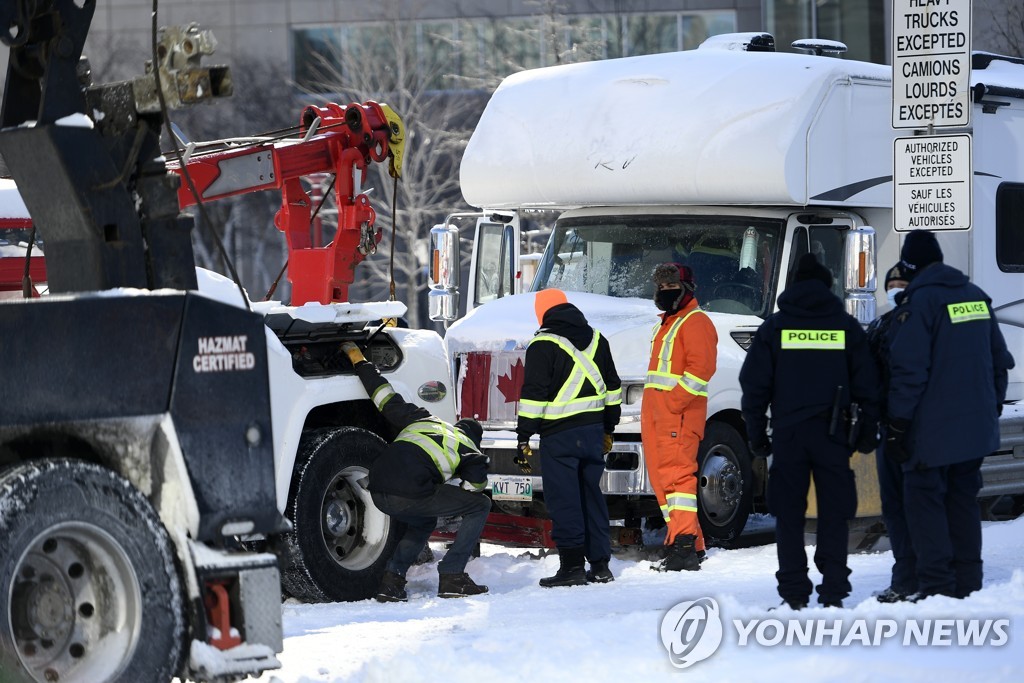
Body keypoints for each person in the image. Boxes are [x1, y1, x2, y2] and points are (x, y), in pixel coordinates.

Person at [739, 253, 880, 609]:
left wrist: (757, 436)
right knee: (835, 512)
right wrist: (864, 434)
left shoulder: (775, 328)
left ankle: (794, 595)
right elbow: (869, 386)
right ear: (827, 286)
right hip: (835, 435)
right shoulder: (845, 327)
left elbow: (754, 388)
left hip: (788, 436)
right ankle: (833, 591)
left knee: (789, 516)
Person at [886, 230, 1015, 600]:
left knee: (924, 505)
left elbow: (909, 372)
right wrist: (989, 409)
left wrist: (897, 425)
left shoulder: (920, 304)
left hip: (930, 434)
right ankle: (968, 581)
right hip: (973, 432)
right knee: (962, 501)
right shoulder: (975, 298)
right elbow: (1000, 364)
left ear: (910, 265)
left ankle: (937, 585)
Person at [340, 341, 492, 602]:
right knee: (480, 505)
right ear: (473, 438)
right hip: (410, 492)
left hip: (377, 487)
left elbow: (385, 397)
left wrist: (359, 361)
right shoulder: (468, 448)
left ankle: (391, 582)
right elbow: (473, 488)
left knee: (424, 520)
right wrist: (459, 487)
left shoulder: (423, 419)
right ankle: (453, 575)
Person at [516, 289, 622, 586]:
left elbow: (534, 396)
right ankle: (600, 565)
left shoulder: (542, 344)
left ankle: (572, 567)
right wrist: (608, 428)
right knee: (591, 497)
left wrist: (524, 434)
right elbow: (613, 389)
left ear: (543, 313)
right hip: (592, 434)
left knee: (565, 501)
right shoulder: (599, 340)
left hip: (559, 437)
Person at [642, 263, 718, 571]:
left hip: (678, 418)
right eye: (661, 288)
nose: (665, 293)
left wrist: (673, 404)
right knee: (666, 485)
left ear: (688, 289)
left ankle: (684, 547)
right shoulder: (669, 322)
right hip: (661, 418)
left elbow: (700, 371)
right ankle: (689, 545)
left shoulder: (695, 322)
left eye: (671, 287)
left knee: (679, 482)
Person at [865, 262, 918, 603]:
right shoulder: (882, 324)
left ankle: (926, 578)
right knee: (895, 510)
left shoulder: (921, 323)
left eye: (901, 282)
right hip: (889, 431)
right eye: (892, 282)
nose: (895, 287)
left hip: (918, 431)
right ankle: (905, 579)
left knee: (918, 509)